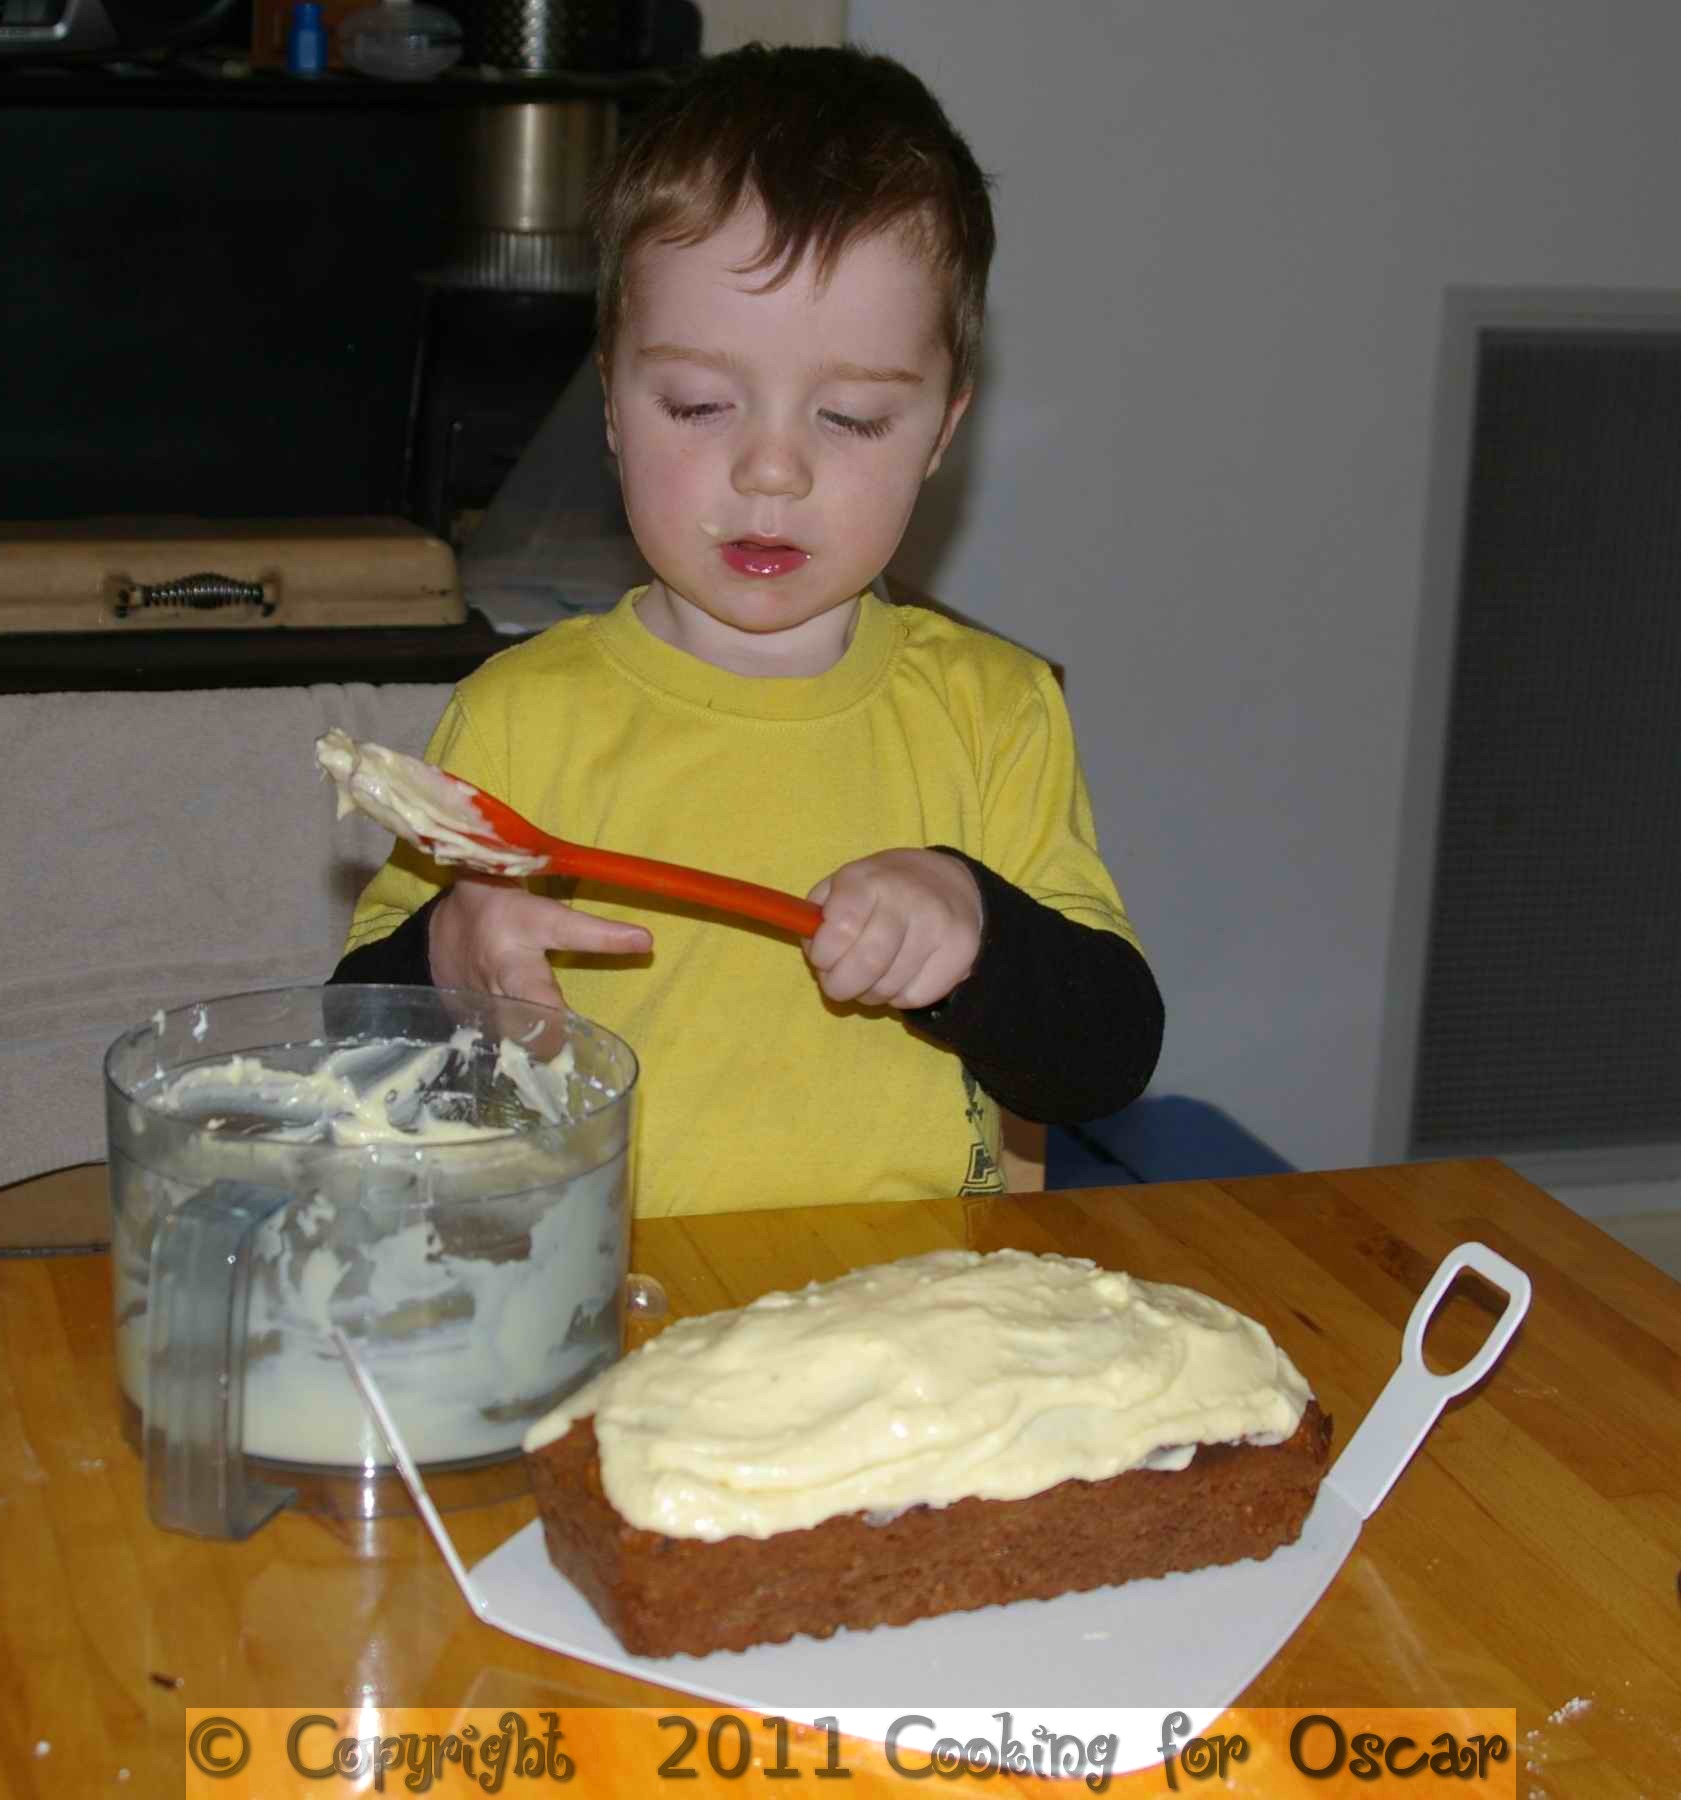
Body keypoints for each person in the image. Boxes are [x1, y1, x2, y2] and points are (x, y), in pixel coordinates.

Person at [332, 42, 1163, 1217]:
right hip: (596, 1310)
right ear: (612, 403)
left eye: (854, 417)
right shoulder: (518, 718)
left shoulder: (998, 710)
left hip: (921, 1332)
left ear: (940, 433)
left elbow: (1107, 1060)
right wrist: (442, 962)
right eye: (699, 404)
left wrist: (978, 932)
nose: (772, 466)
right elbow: (351, 1049)